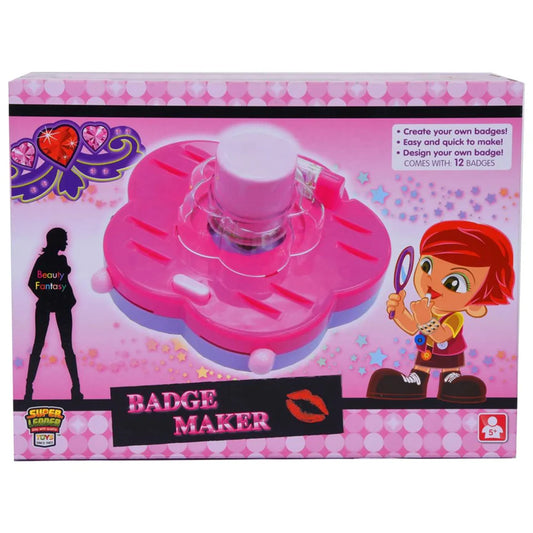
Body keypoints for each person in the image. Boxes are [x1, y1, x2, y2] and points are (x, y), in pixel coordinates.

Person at [367, 221, 514, 403]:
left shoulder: (455, 317)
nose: (432, 281)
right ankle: (416, 381)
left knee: (450, 371)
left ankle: (451, 380)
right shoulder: (426, 307)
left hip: (449, 355)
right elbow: (412, 327)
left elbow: (442, 335)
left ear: (475, 306)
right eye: (426, 266)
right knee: (421, 367)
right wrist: (400, 312)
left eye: (453, 282)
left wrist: (426, 320)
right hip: (426, 352)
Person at [24, 228, 83, 401]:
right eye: (64, 239)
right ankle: (28, 389)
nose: (66, 242)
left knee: (66, 346)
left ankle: (76, 389)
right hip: (50, 304)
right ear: (56, 241)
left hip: (62, 304)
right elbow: (32, 282)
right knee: (39, 344)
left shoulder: (61, 260)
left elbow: (57, 280)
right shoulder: (44, 260)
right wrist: (47, 296)